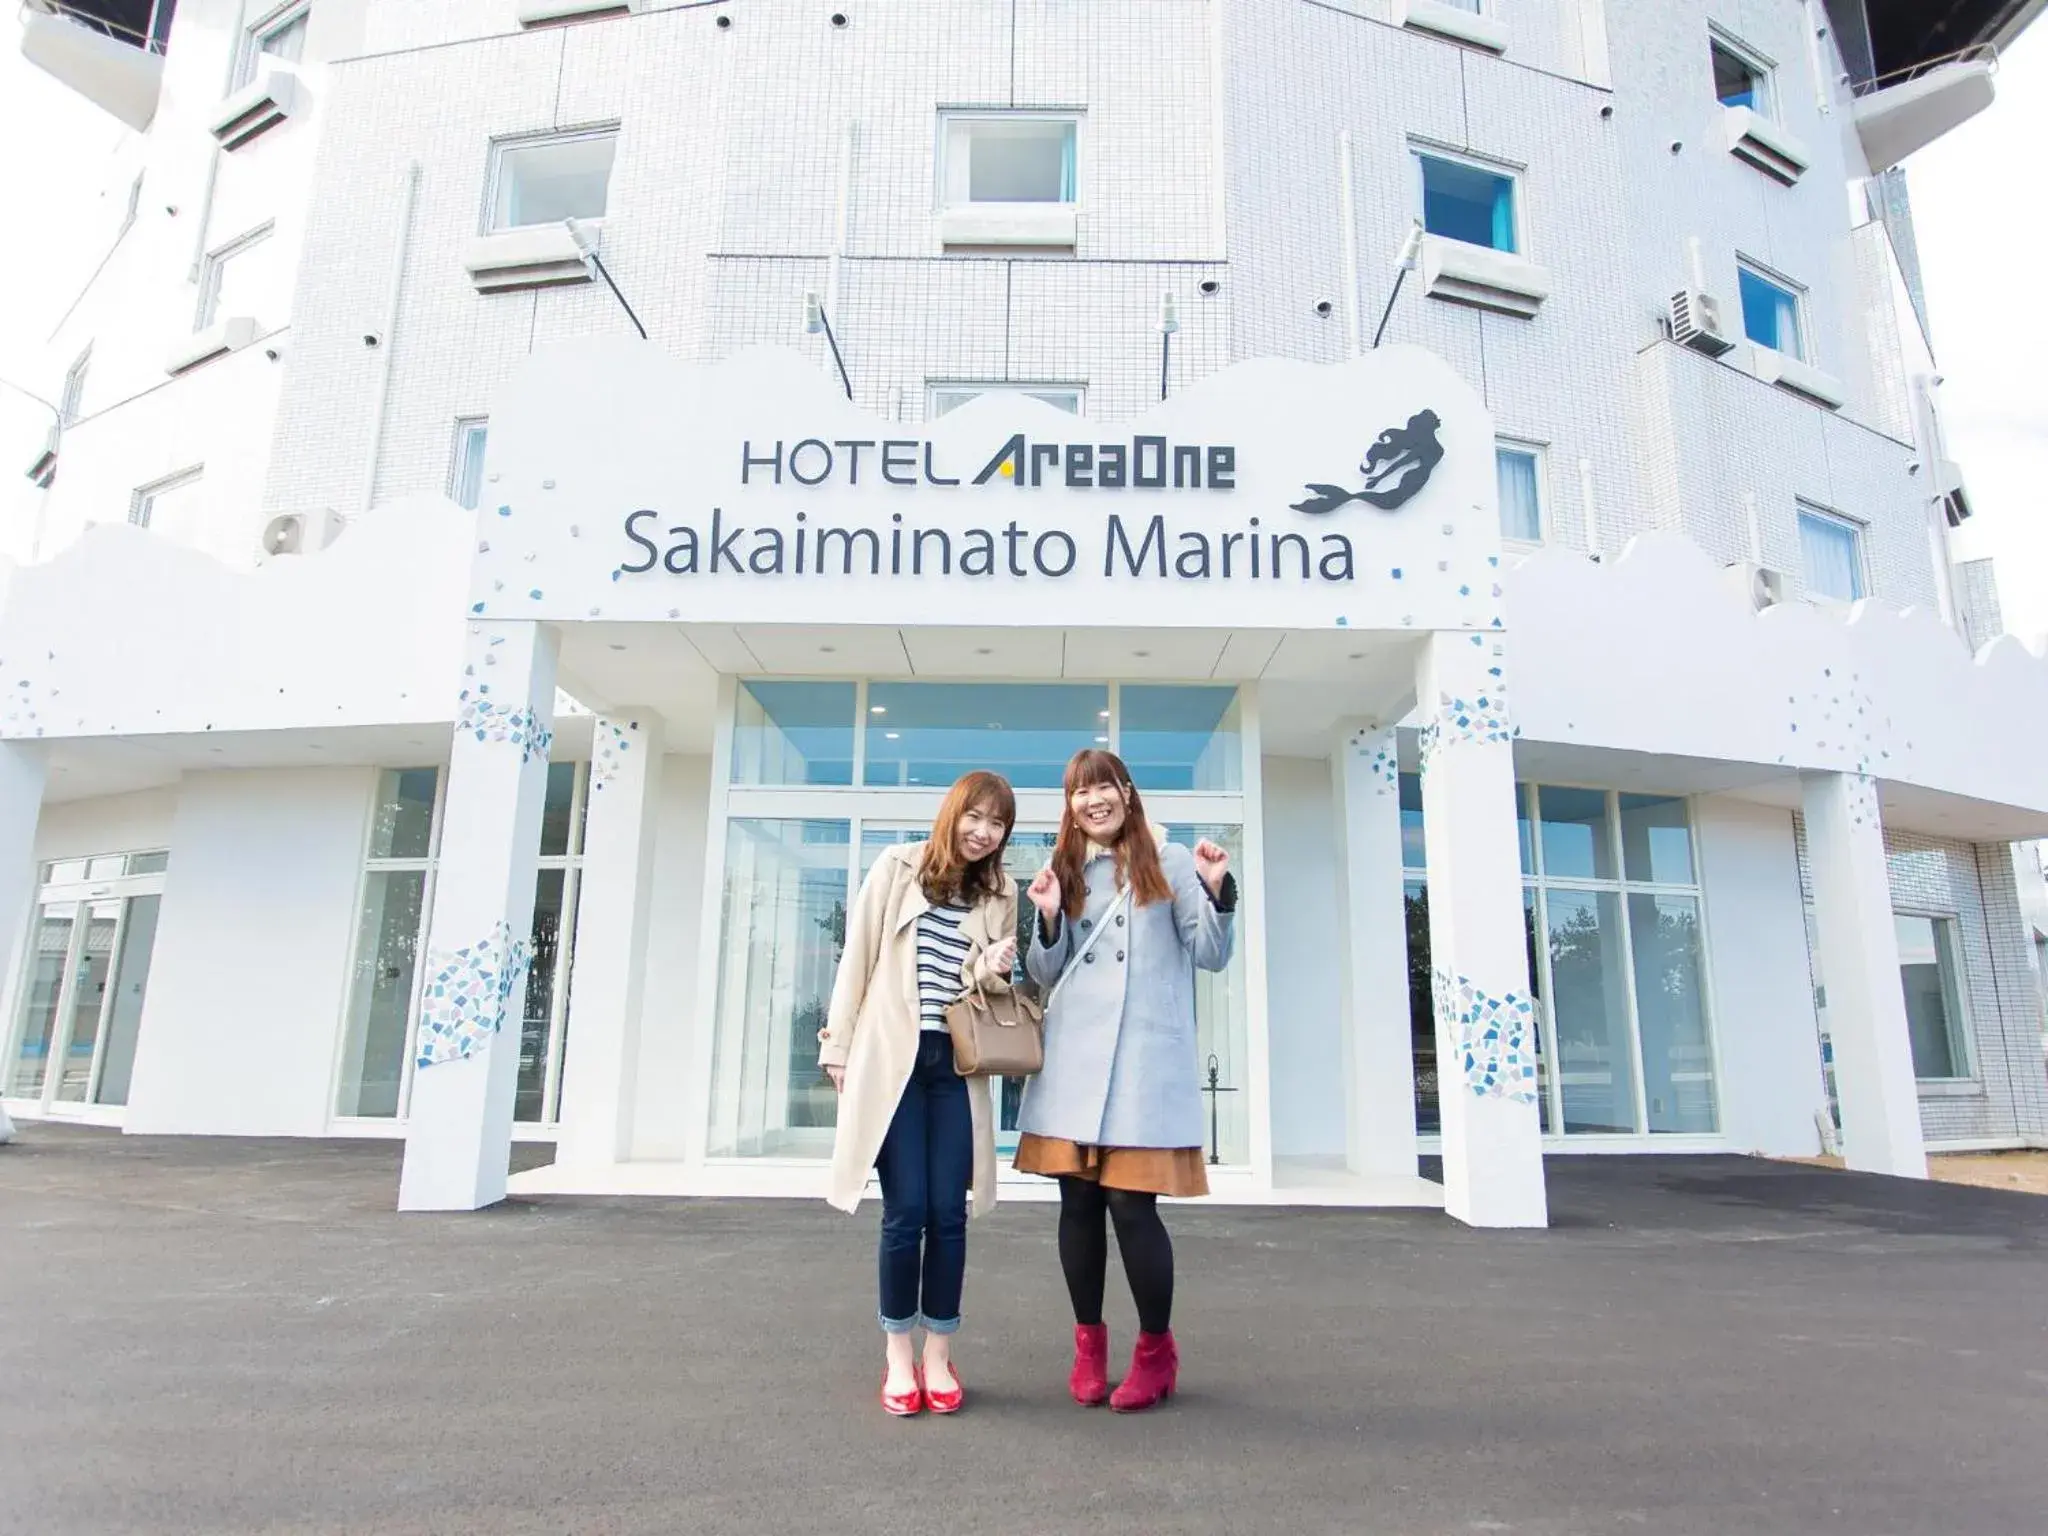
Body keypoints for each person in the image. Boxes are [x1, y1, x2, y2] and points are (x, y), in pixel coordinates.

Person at [1016, 748, 1236, 1412]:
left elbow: (1210, 955)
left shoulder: (1168, 862)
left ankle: (1155, 1352)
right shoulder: (1062, 870)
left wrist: (1218, 887)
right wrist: (1049, 918)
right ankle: (1088, 1349)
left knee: (1131, 1208)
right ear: (1070, 804)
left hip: (1142, 1064)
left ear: (1127, 792)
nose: (1093, 801)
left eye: (1103, 787)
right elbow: (1044, 975)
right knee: (1077, 1206)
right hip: (1075, 1065)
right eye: (1080, 792)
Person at [818, 770, 1020, 1417]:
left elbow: (988, 993)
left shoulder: (1000, 892)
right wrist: (838, 1045)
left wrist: (990, 969)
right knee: (906, 1214)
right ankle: (898, 1354)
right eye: (977, 817)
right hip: (894, 1063)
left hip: (956, 1066)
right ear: (953, 812)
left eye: (997, 824)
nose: (984, 833)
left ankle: (940, 1353)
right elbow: (859, 958)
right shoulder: (896, 867)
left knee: (950, 1214)